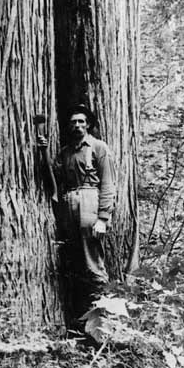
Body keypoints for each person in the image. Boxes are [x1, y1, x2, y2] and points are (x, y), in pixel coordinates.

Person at [37, 104, 116, 329]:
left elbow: (108, 185)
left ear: (88, 124)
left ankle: (103, 322)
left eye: (81, 121)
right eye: (73, 122)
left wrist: (103, 218)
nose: (77, 125)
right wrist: (43, 152)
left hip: (90, 205)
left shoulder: (99, 148)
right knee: (73, 265)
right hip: (68, 207)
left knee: (93, 265)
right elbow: (53, 177)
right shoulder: (66, 152)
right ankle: (81, 320)